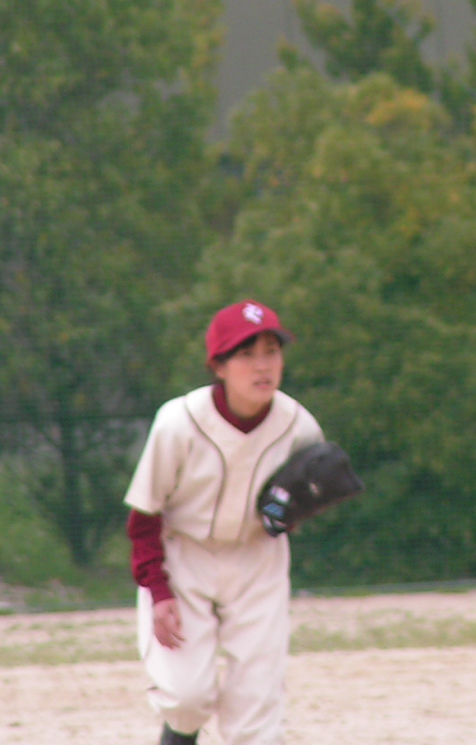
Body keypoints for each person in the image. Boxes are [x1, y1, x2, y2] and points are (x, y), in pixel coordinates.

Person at [124, 299, 323, 745]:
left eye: (272, 351)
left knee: (257, 713)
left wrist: (293, 514)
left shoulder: (300, 427)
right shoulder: (178, 422)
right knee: (186, 699)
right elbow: (144, 515)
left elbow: (299, 507)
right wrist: (157, 590)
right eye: (246, 354)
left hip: (258, 561)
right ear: (218, 365)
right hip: (184, 557)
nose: (263, 365)